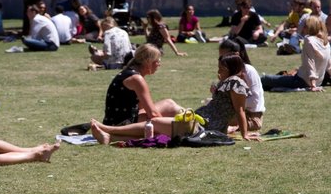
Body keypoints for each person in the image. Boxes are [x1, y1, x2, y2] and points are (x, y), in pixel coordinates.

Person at [92, 54, 252, 142]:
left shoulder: (236, 83)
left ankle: (108, 129)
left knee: (153, 124)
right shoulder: (229, 82)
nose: (218, 72)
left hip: (200, 129)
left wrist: (244, 134)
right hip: (198, 122)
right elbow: (223, 108)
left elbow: (239, 111)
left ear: (231, 69)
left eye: (221, 69)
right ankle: (110, 137)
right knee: (155, 130)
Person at [101, 43, 182, 127]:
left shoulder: (130, 72)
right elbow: (153, 114)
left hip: (116, 121)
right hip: (121, 124)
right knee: (170, 111)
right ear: (148, 62)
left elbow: (141, 107)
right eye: (157, 61)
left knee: (169, 103)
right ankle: (191, 124)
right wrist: (165, 126)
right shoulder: (137, 79)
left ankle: (191, 121)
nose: (159, 64)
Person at [261, 16, 330, 92]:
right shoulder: (326, 43)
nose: (303, 28)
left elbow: (310, 61)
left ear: (310, 27)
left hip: (301, 81)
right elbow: (329, 66)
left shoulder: (309, 40)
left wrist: (313, 85)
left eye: (305, 26)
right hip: (318, 82)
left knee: (265, 79)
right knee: (276, 81)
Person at [218, 38, 265, 131]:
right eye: (220, 57)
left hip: (252, 116)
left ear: (236, 55)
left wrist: (233, 102)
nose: (222, 60)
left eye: (224, 56)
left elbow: (254, 100)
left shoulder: (248, 70)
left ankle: (232, 127)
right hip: (234, 111)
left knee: (212, 119)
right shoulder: (228, 71)